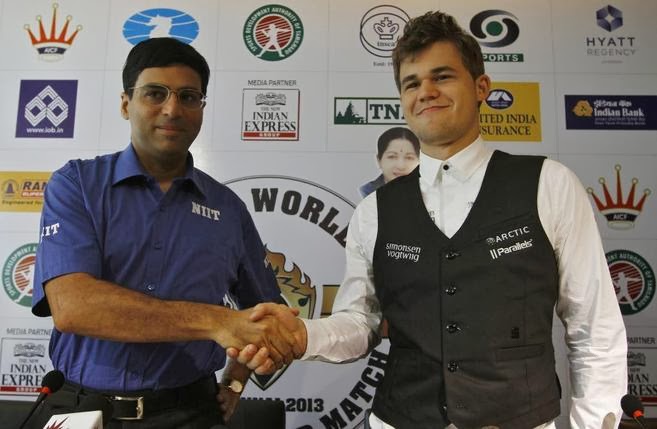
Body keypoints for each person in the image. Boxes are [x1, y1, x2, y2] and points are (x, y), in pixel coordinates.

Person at [239, 10, 628, 429]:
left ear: (481, 87)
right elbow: (361, 323)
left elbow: (594, 328)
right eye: (412, 83)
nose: (425, 91)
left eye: (442, 76)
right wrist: (304, 336)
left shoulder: (549, 184)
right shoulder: (374, 210)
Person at [29, 37, 300, 429]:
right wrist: (217, 321)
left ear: (201, 109)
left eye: (189, 97)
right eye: (155, 93)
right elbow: (73, 306)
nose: (172, 109)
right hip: (82, 410)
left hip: (192, 413)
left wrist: (237, 381)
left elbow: (266, 312)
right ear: (126, 104)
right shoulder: (77, 185)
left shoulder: (228, 208)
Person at [359, 127, 420, 198]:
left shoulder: (428, 193)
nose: (401, 166)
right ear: (379, 160)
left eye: (409, 157)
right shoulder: (367, 193)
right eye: (392, 157)